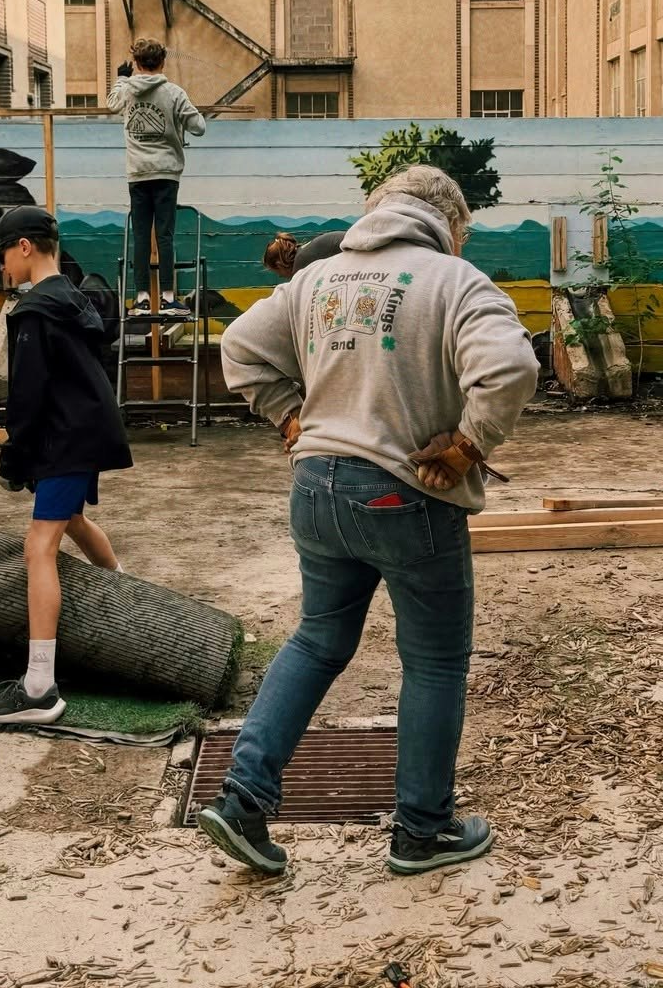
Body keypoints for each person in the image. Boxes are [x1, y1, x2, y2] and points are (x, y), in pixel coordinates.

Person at [198, 164, 538, 877]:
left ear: (373, 211)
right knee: (435, 660)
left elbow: (239, 347)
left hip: (315, 486)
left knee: (318, 638)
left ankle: (241, 798)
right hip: (405, 494)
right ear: (453, 225)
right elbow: (508, 366)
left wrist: (288, 416)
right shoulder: (454, 282)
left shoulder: (315, 280)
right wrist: (468, 443)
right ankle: (422, 830)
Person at [0, 205, 132, 726]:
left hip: (65, 437)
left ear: (24, 247)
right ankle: (131, 601)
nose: (1, 270)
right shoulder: (77, 297)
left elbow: (28, 396)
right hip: (87, 431)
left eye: (2, 258)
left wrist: (14, 459)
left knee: (39, 545)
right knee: (75, 522)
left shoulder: (34, 311)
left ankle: (39, 686)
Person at [107, 37, 206, 318]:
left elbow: (112, 103)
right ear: (162, 62)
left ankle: (139, 299)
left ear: (136, 63)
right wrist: (180, 119)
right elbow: (199, 126)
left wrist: (121, 78)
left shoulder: (126, 90)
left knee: (140, 235)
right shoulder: (174, 93)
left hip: (137, 172)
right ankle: (167, 297)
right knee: (164, 236)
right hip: (166, 173)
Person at [262, 230, 343, 280]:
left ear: (279, 265)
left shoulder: (299, 268)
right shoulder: (302, 254)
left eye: (278, 273)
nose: (280, 276)